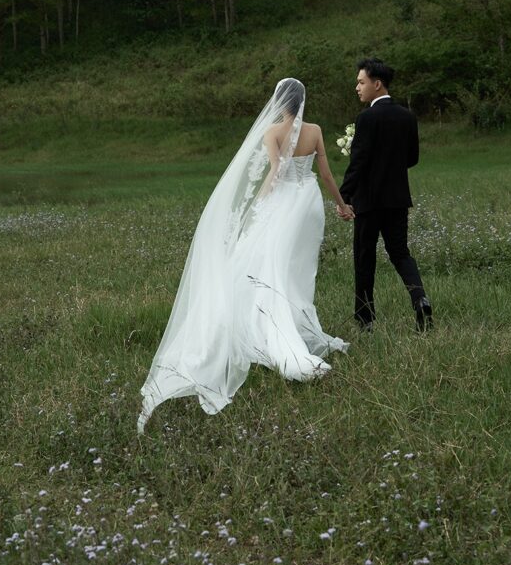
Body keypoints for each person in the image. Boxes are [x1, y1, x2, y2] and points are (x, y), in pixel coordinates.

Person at [137, 78, 353, 433]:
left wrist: (258, 205)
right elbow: (326, 174)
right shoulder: (315, 131)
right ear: (302, 101)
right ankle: (295, 324)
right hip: (309, 205)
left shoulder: (272, 132)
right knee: (299, 270)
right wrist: (342, 206)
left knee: (273, 266)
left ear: (279, 101)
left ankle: (278, 329)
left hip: (285, 203)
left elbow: (276, 171)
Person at [339, 58, 432, 333]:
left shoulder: (366, 118)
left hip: (368, 201)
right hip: (397, 199)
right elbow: (412, 158)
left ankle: (365, 319)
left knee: (364, 257)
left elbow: (358, 162)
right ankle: (420, 299)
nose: (357, 87)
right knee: (400, 253)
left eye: (361, 82)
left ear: (377, 84)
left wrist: (344, 196)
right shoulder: (407, 116)